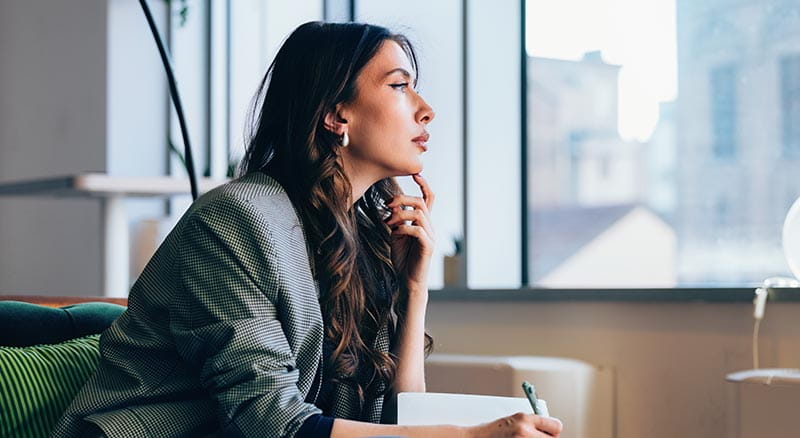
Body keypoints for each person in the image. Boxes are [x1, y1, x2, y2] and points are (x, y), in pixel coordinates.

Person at [51, 21, 562, 438]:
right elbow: (271, 424)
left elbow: (394, 422)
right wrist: (470, 436)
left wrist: (412, 292)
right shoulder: (235, 220)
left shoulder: (361, 236)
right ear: (337, 116)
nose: (426, 110)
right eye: (399, 86)